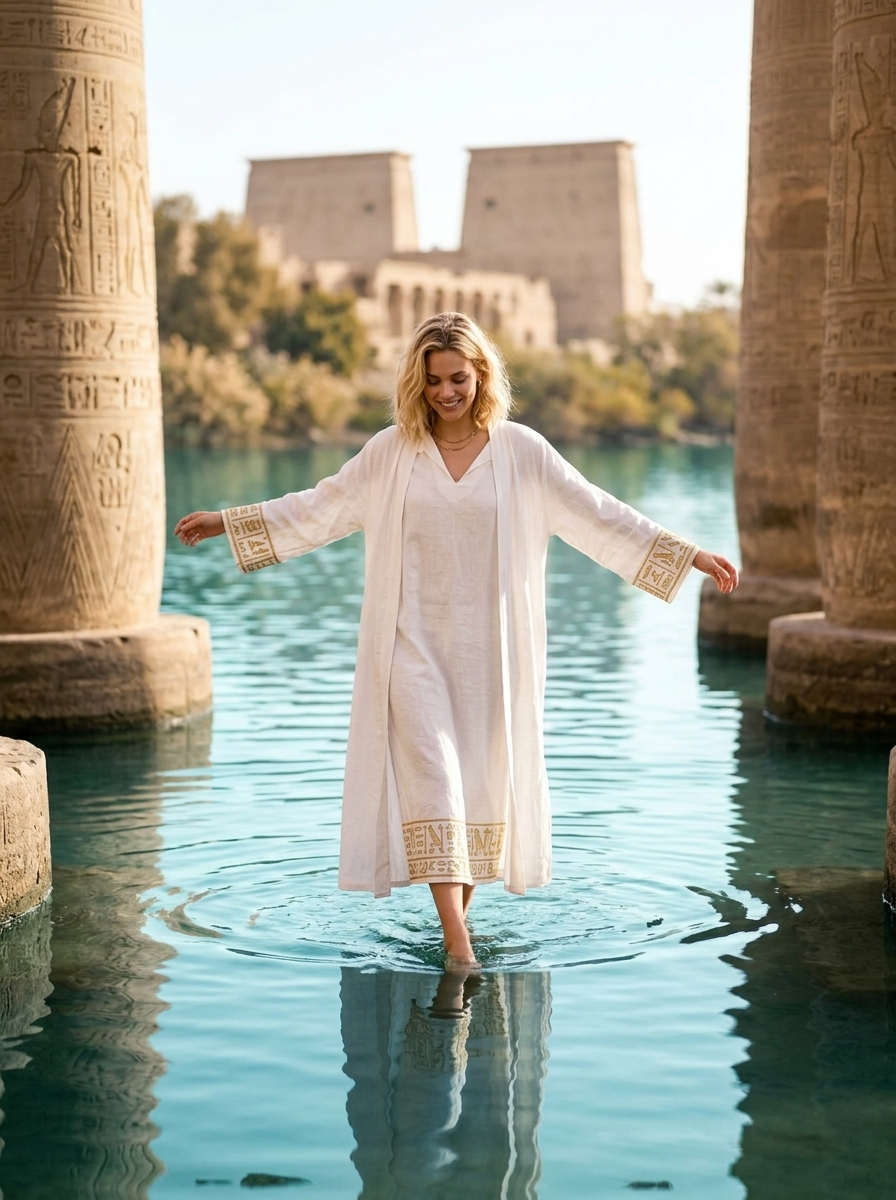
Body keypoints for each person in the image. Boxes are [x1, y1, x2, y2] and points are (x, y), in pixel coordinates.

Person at [175, 313, 737, 968]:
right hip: (409, 646)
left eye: (459, 379)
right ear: (418, 382)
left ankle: (453, 931)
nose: (447, 392)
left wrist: (688, 554)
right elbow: (319, 506)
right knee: (436, 783)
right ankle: (459, 946)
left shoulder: (521, 451)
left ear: (481, 376)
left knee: (477, 791)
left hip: (491, 654)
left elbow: (597, 511)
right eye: (435, 380)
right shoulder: (392, 452)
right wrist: (227, 522)